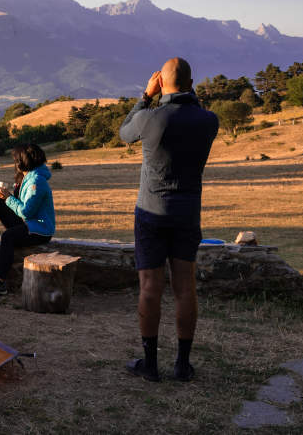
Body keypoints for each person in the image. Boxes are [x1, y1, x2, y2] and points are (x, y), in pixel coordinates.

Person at [119, 57, 219, 382]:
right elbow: (194, 110)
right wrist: (188, 93)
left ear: (160, 83)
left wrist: (146, 96)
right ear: (192, 84)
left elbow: (124, 133)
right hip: (187, 214)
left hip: (150, 211)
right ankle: (182, 364)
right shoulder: (209, 121)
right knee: (185, 288)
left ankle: (149, 364)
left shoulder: (149, 118)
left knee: (149, 287)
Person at [0, 143, 55, 297]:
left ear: (23, 161)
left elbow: (27, 212)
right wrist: (4, 196)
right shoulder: (29, 177)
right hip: (30, 224)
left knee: (8, 236)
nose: (15, 164)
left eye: (16, 160)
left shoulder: (37, 182)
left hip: (40, 230)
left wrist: (8, 197)